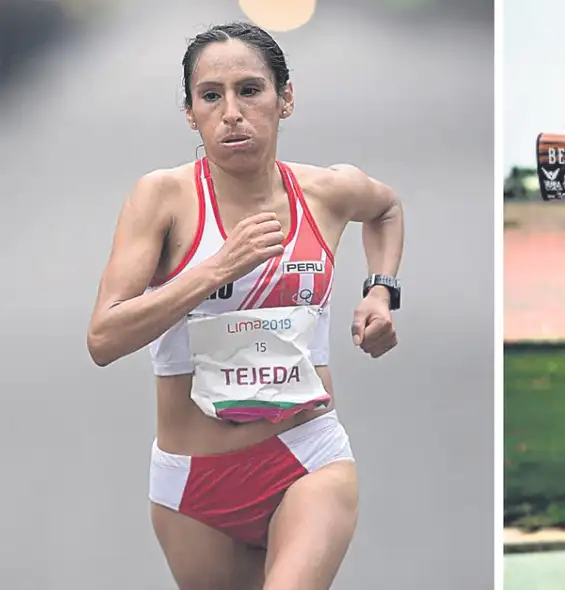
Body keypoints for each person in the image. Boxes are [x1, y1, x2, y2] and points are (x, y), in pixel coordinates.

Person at [86, 21, 404, 590]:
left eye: (250, 90)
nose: (231, 112)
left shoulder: (326, 191)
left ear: (285, 99)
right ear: (190, 112)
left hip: (308, 454)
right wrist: (215, 270)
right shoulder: (162, 198)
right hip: (193, 484)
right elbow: (103, 339)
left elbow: (385, 210)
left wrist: (380, 291)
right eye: (211, 96)